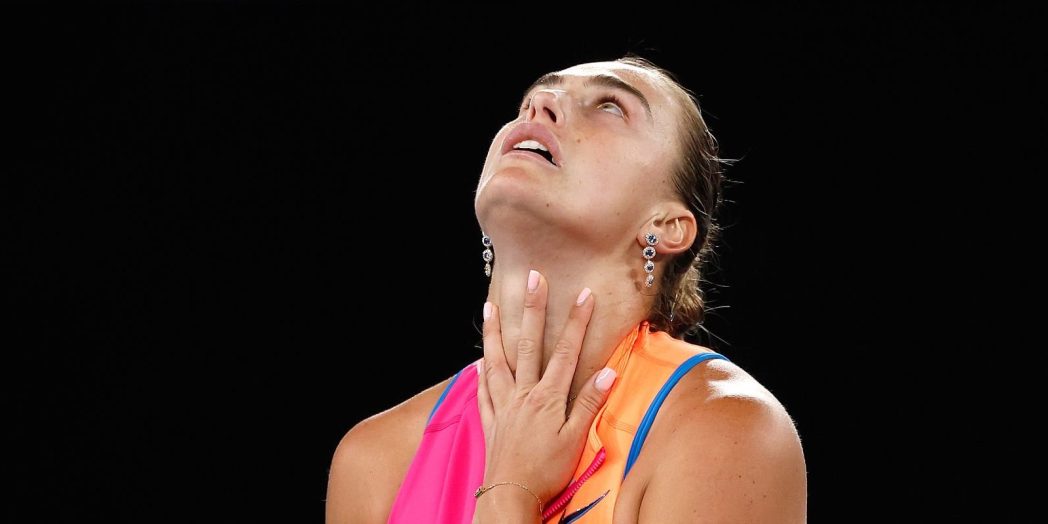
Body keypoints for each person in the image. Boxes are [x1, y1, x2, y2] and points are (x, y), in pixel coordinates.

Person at [325, 55, 807, 523]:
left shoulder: (727, 431)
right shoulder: (375, 460)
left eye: (610, 106)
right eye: (529, 101)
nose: (540, 106)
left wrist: (511, 491)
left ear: (665, 227)